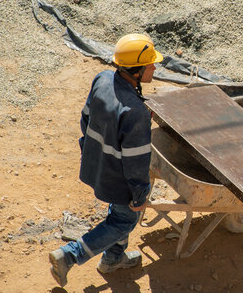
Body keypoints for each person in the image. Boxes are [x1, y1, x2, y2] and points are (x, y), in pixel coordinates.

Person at [49, 33, 163, 287]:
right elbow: (136, 163)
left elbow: (85, 119)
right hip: (119, 179)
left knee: (118, 218)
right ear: (136, 70)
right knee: (123, 221)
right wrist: (139, 196)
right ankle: (69, 255)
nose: (154, 67)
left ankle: (113, 258)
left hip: (97, 166)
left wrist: (88, 151)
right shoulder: (135, 113)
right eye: (150, 63)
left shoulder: (102, 79)